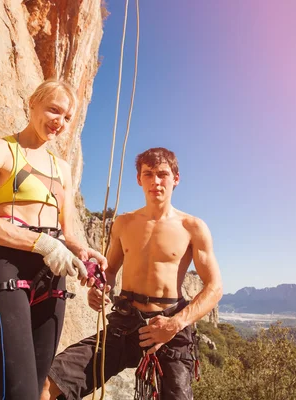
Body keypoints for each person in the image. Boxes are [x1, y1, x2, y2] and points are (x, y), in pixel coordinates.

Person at [0, 79, 107, 400]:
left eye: (68, 117)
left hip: (52, 279)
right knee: (20, 394)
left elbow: (71, 230)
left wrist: (85, 257)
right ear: (32, 103)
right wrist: (41, 244)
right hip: (6, 267)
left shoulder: (62, 169)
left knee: (38, 392)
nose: (60, 121)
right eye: (53, 109)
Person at [42, 147, 223, 400]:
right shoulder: (124, 224)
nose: (155, 181)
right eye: (148, 174)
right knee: (50, 383)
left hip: (169, 325)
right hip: (125, 323)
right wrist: (99, 290)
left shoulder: (192, 227)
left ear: (176, 178)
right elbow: (111, 271)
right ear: (139, 179)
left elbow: (214, 287)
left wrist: (175, 324)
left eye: (162, 174)